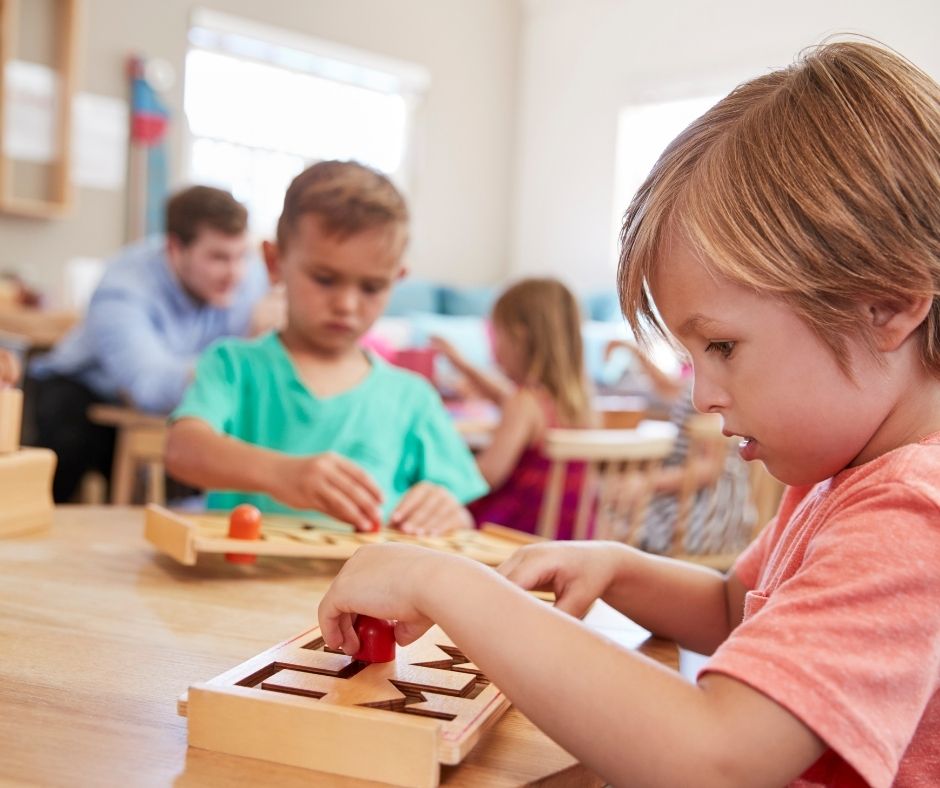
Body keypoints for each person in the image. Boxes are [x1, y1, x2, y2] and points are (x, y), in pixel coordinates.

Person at [317, 42, 940, 786]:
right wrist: (615, 566)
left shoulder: (912, 512)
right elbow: (734, 607)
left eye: (722, 346)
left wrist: (444, 583)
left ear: (886, 307)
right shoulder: (838, 470)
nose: (703, 395)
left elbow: (716, 760)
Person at [164, 161, 487, 535]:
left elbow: (461, 517)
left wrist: (450, 515)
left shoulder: (413, 398)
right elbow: (182, 450)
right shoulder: (233, 366)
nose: (346, 305)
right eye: (325, 279)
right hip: (242, 573)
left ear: (396, 279)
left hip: (369, 575)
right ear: (275, 262)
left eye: (371, 287)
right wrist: (282, 474)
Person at [28, 186, 273, 502]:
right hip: (87, 390)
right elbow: (150, 387)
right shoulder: (124, 286)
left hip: (175, 401)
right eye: (218, 258)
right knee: (64, 448)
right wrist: (239, 363)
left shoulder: (247, 277)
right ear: (175, 248)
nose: (235, 273)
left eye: (241, 256)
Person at [431, 278, 594, 538]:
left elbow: (488, 475)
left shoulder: (523, 401)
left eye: (496, 335)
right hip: (567, 535)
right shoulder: (577, 402)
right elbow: (503, 397)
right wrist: (460, 362)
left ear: (519, 337)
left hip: (515, 532)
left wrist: (442, 467)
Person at [605, 338, 755, 555]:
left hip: (707, 515)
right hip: (695, 503)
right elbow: (666, 385)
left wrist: (648, 482)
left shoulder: (711, 391)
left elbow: (709, 467)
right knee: (616, 506)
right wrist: (633, 351)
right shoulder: (695, 381)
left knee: (620, 513)